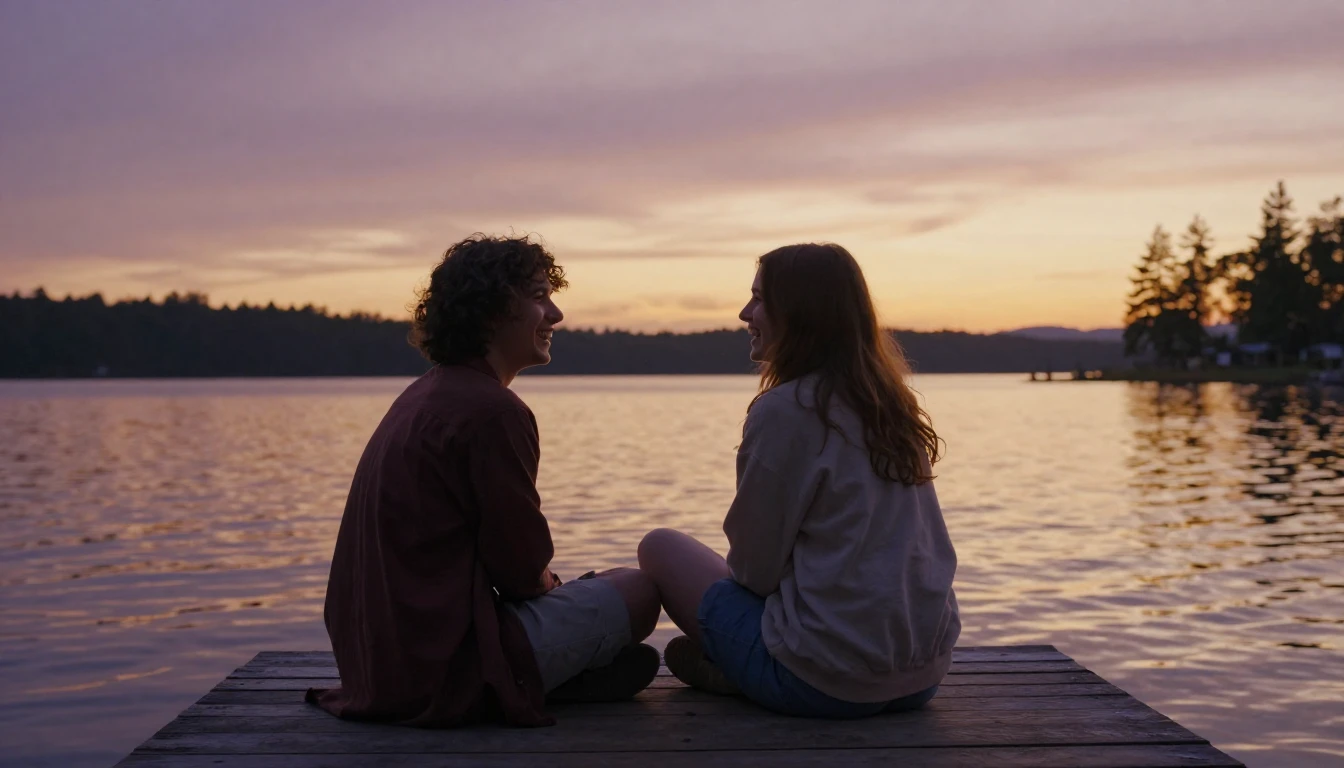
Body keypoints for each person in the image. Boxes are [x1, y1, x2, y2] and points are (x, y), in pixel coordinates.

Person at [308, 234, 661, 728]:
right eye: (539, 297)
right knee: (639, 588)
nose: (556, 315)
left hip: (377, 666)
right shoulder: (492, 411)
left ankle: (559, 676)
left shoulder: (423, 396)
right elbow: (520, 572)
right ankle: (523, 684)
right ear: (493, 311)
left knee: (601, 587)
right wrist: (553, 587)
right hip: (442, 666)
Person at [638, 242, 960, 718]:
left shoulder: (787, 410)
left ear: (799, 313)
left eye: (759, 299)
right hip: (922, 678)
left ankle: (744, 673)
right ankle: (739, 669)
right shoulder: (891, 405)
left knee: (660, 547)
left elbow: (754, 572)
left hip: (826, 684)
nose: (745, 313)